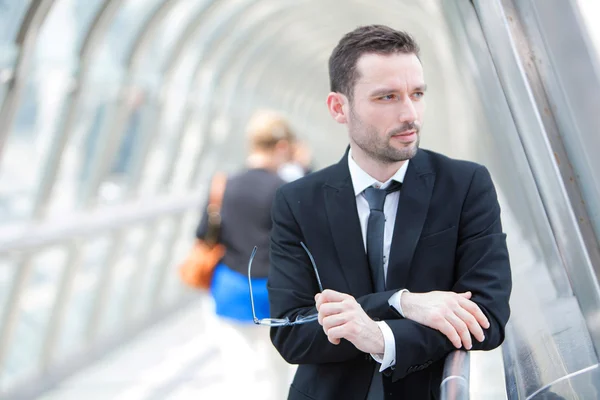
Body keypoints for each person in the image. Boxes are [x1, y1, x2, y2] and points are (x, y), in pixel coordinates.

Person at [267, 25, 512, 399]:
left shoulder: (465, 185)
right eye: (387, 97)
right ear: (339, 107)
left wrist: (380, 336)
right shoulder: (298, 201)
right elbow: (291, 331)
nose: (409, 113)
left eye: (417, 94)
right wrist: (402, 302)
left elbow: (487, 319)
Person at [196, 109, 297, 400]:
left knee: (238, 370)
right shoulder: (285, 190)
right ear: (281, 146)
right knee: (276, 371)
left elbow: (204, 232)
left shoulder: (224, 184)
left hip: (231, 288)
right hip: (273, 294)